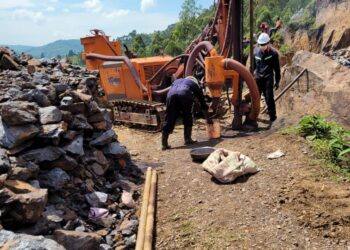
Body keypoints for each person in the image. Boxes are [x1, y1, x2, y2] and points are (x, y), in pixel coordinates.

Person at [161, 76, 208, 150]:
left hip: (170, 95)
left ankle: (164, 143)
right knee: (187, 114)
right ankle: (187, 139)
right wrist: (208, 119)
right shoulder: (194, 85)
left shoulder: (177, 81)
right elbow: (203, 103)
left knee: (169, 115)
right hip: (184, 93)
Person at [253, 33, 281, 122]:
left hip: (268, 78)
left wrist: (277, 81)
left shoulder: (274, 54)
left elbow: (277, 69)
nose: (262, 46)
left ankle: (273, 117)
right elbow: (253, 67)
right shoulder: (255, 52)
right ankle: (253, 116)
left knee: (269, 98)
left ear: (268, 43)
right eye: (261, 45)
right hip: (258, 78)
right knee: (255, 98)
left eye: (264, 44)